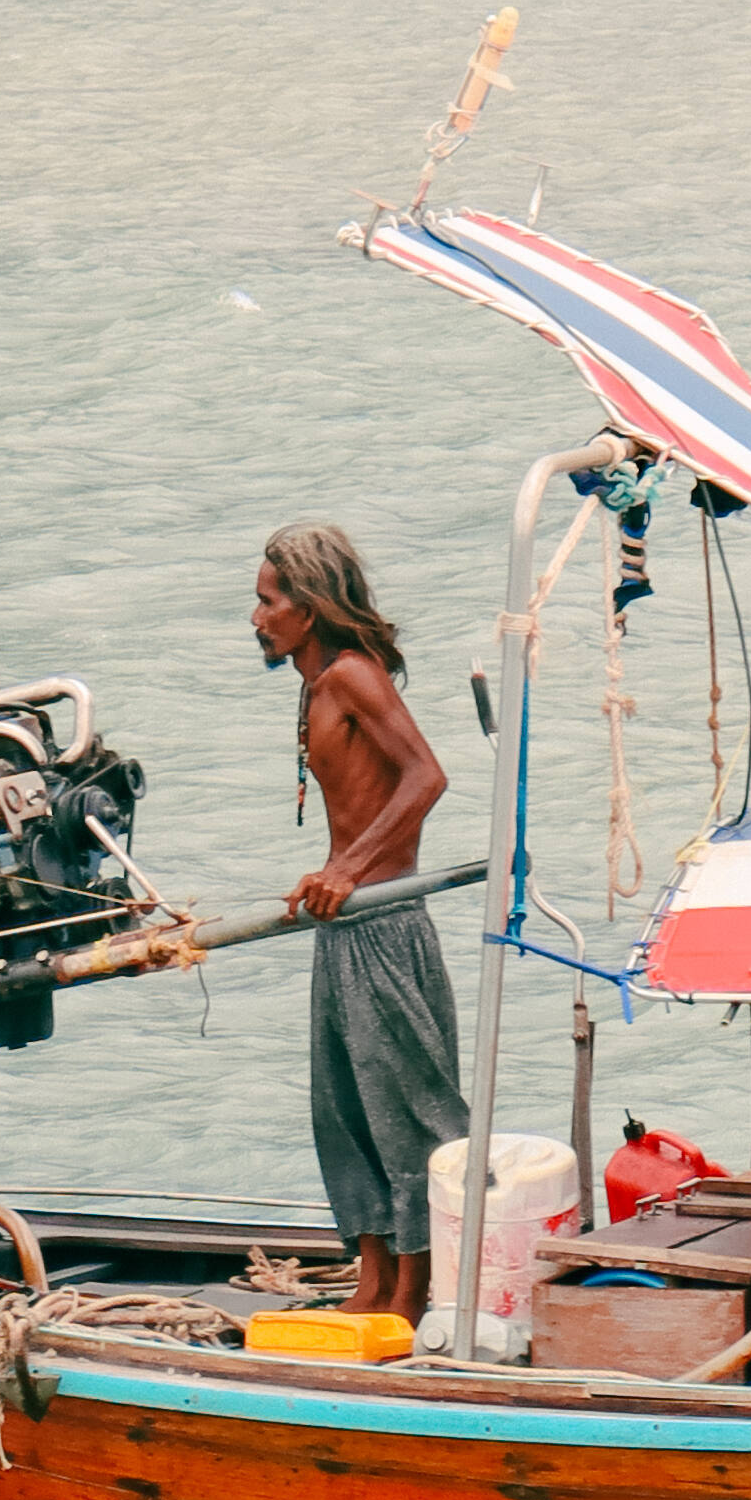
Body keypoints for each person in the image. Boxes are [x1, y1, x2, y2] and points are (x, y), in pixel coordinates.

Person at [252, 522, 466, 1335]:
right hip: (342, 929)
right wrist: (330, 870)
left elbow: (426, 776)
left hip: (385, 924)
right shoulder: (316, 687)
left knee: (408, 1109)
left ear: (309, 608)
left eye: (269, 601)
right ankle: (373, 1277)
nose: (257, 617)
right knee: (342, 1108)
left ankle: (416, 1289)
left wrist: (350, 869)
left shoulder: (353, 676)